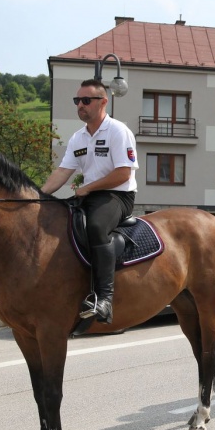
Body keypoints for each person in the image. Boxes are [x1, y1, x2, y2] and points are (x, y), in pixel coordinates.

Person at [41, 79, 138, 324]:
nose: (80, 105)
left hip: (118, 194)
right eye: (77, 101)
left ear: (103, 102)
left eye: (86, 100)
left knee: (95, 227)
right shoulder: (78, 137)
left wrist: (88, 187)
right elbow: (63, 172)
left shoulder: (118, 131)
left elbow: (123, 174)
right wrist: (37, 198)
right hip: (90, 194)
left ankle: (104, 300)